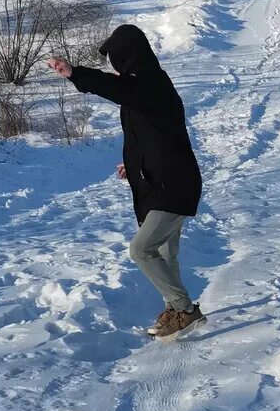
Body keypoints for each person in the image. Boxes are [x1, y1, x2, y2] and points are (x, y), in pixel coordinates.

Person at [49, 24, 205, 338]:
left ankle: (185, 309)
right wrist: (132, 164)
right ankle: (176, 311)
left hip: (174, 185)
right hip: (161, 181)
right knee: (164, 254)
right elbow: (147, 136)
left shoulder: (151, 83)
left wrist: (75, 73)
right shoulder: (143, 87)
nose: (114, 69)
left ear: (129, 57)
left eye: (116, 60)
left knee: (141, 250)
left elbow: (117, 88)